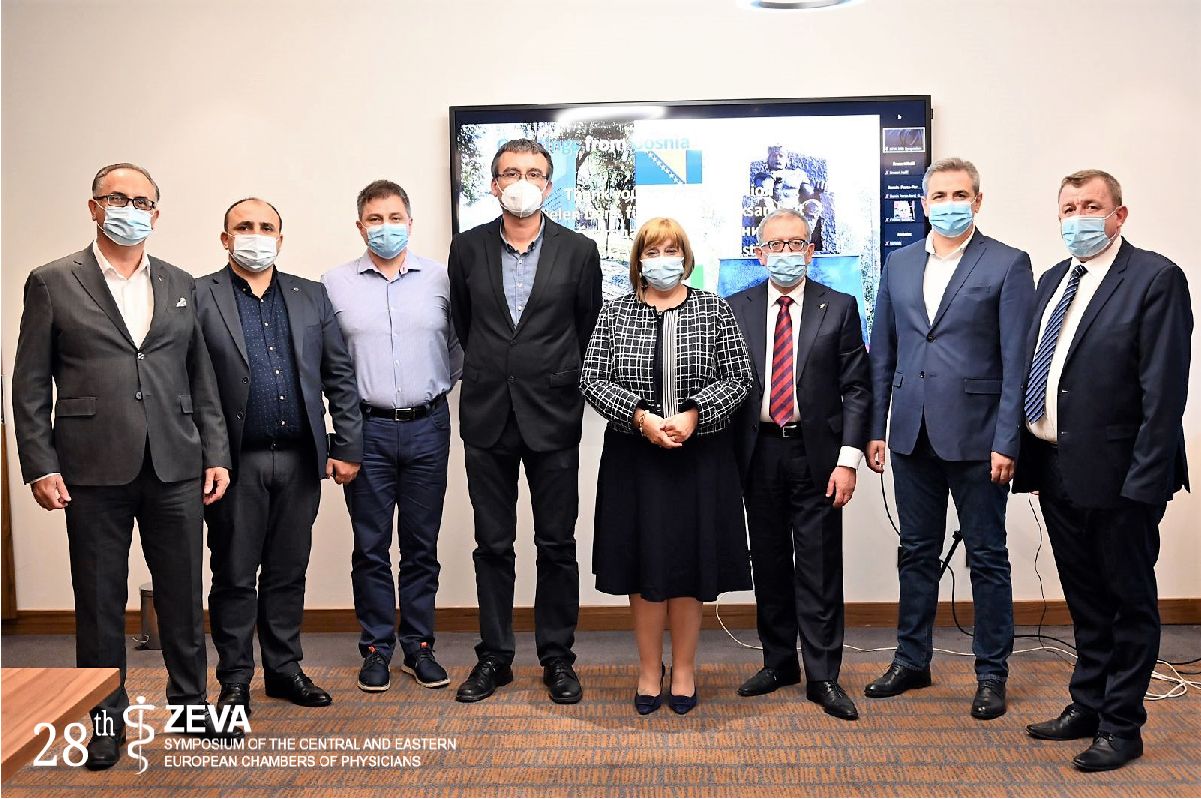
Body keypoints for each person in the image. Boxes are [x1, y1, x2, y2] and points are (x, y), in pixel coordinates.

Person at [12, 162, 234, 770]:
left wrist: (215, 453)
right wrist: (39, 464)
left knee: (183, 597)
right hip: (90, 469)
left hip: (175, 464)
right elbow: (29, 384)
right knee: (99, 602)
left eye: (142, 201)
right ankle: (105, 722)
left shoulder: (180, 281)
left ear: (156, 213)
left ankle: (192, 707)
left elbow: (201, 378)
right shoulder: (53, 281)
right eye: (117, 198)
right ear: (94, 207)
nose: (130, 210)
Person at [1013, 170, 1192, 772]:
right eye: (1068, 207)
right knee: (1085, 598)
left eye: (1091, 206)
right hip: (1056, 466)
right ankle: (1087, 704)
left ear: (1119, 214)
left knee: (1127, 603)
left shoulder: (1155, 278)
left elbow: (1163, 393)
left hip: (1122, 476)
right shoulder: (1053, 280)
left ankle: (1122, 725)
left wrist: (1145, 483)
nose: (1077, 217)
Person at [866, 157, 1034, 719]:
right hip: (911, 433)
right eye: (938, 195)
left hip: (979, 438)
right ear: (923, 202)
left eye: (960, 195)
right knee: (916, 552)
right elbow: (883, 353)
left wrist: (1008, 439)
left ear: (978, 202)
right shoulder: (899, 263)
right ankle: (911, 660)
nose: (948, 204)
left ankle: (991, 673)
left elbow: (1017, 362)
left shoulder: (1008, 263)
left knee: (987, 556)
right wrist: (876, 429)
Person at [448, 139, 603, 704]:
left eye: (534, 173)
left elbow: (586, 326)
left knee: (556, 543)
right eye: (510, 173)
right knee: (493, 545)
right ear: (493, 185)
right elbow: (466, 325)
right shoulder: (466, 247)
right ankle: (495, 657)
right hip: (487, 413)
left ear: (549, 186)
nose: (522, 182)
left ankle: (557, 658)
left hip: (552, 414)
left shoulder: (579, 250)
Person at [581, 217, 754, 715]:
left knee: (689, 565)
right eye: (653, 251)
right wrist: (640, 417)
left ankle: (684, 669)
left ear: (686, 258)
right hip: (635, 460)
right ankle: (647, 669)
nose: (663, 260)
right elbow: (592, 378)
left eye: (671, 250)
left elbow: (740, 377)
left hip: (699, 459)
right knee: (643, 565)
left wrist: (695, 414)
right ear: (639, 260)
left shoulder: (713, 309)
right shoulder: (616, 312)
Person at [196, 197, 362, 715]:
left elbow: (339, 375)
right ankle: (234, 680)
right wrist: (207, 453)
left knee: (288, 572)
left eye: (266, 227)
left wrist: (347, 444)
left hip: (299, 459)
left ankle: (284, 670)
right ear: (225, 239)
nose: (256, 235)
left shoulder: (310, 295)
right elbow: (189, 382)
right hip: (233, 463)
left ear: (281, 239)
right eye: (244, 226)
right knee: (234, 575)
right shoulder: (199, 295)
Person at [728, 209, 870, 720]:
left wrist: (848, 460)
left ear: (810, 251)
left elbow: (857, 389)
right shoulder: (735, 307)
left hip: (818, 456)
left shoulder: (841, 306)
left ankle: (824, 675)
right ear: (759, 253)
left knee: (819, 565)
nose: (785, 253)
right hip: (758, 452)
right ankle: (779, 663)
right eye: (775, 245)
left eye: (795, 244)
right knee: (768, 563)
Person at [323, 180, 463, 693]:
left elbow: (458, 347)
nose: (386, 227)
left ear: (411, 221)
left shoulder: (441, 279)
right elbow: (329, 362)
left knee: (422, 545)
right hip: (366, 429)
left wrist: (431, 390)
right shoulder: (333, 284)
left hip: (428, 425)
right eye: (375, 219)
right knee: (371, 546)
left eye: (395, 217)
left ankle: (419, 647)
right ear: (360, 226)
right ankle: (377, 648)